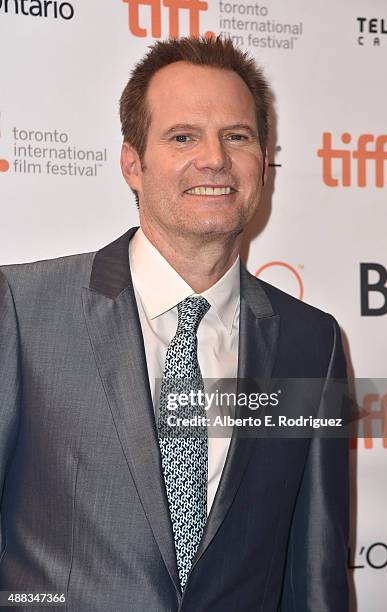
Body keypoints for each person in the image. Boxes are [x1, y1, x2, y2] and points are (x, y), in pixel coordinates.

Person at [0, 37, 349, 611]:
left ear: (263, 163)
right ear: (133, 163)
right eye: (183, 136)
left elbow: (315, 572)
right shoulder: (22, 310)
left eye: (236, 137)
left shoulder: (313, 342)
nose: (214, 159)